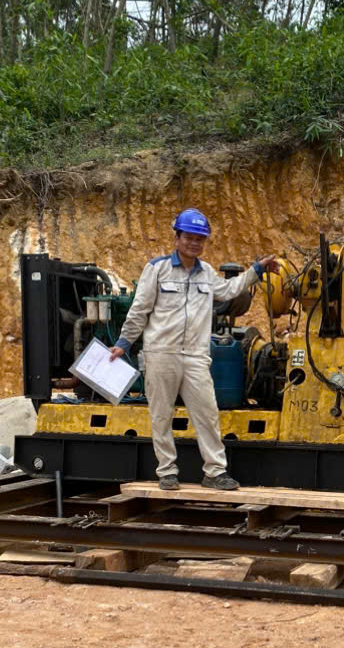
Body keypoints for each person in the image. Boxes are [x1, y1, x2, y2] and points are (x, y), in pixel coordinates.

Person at [110, 209, 279, 491]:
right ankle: (167, 472)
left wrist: (256, 270)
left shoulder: (207, 273)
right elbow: (139, 310)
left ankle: (215, 472)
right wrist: (123, 343)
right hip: (161, 353)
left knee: (207, 413)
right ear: (177, 237)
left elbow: (229, 290)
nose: (194, 243)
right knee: (161, 415)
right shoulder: (157, 269)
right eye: (189, 237)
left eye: (200, 239)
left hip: (196, 356)